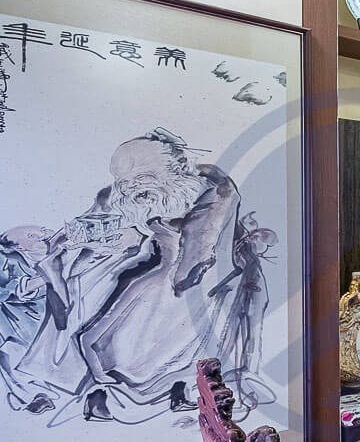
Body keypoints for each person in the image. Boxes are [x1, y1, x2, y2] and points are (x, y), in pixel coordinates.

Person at [4, 128, 272, 422]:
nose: (132, 187)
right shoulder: (123, 195)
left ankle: (156, 388)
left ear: (176, 168)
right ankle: (106, 387)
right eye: (125, 181)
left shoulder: (214, 193)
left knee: (151, 326)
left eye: (142, 177)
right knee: (94, 312)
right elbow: (95, 222)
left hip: (202, 277)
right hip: (157, 266)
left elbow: (198, 257)